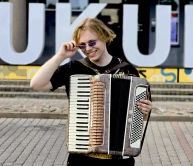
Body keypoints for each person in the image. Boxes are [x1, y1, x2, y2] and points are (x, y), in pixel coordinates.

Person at [30, 17, 152, 166]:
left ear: (104, 37)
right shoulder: (74, 68)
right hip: (83, 158)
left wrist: (144, 111)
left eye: (92, 42)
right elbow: (36, 84)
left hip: (120, 159)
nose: (88, 49)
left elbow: (138, 117)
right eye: (82, 45)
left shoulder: (128, 70)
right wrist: (60, 56)